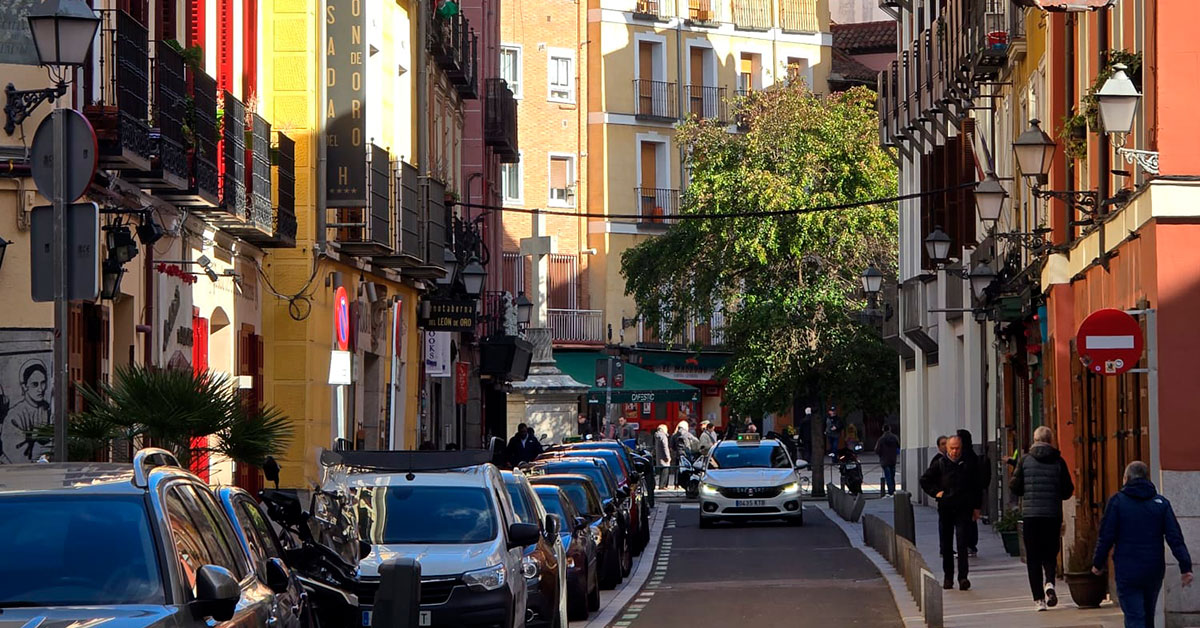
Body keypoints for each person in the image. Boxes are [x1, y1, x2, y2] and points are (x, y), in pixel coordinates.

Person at [1092, 461, 1193, 627]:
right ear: (1147, 478)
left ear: (1126, 478)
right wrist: (1186, 566)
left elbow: (1106, 535)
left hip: (1127, 569)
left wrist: (1098, 562)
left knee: (1134, 616)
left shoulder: (1117, 502)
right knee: (1147, 615)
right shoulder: (1161, 504)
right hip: (1153, 569)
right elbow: (1175, 538)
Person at [1010, 426, 1074, 611]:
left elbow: (1014, 486)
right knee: (1050, 553)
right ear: (1050, 440)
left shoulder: (1025, 461)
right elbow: (1068, 490)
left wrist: (1027, 492)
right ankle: (1050, 583)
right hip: (1052, 515)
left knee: (1033, 557)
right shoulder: (1058, 461)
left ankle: (1039, 599)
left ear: (1034, 439)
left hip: (1031, 515)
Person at [919, 435, 980, 591]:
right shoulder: (939, 463)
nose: (954, 451)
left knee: (962, 543)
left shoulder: (968, 463)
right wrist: (936, 493)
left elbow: (976, 486)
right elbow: (925, 480)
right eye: (951, 448)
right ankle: (948, 577)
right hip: (946, 508)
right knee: (946, 545)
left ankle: (963, 577)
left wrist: (976, 507)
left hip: (963, 508)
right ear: (946, 448)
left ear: (961, 448)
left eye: (957, 448)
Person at [956, 429, 988, 556]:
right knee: (970, 521)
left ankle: (967, 545)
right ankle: (970, 545)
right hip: (970, 495)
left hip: (966, 495)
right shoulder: (971, 456)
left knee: (965, 522)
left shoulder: (966, 457)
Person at [874, 424, 901, 497]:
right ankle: (893, 491)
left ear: (883, 429)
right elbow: (899, 446)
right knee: (892, 476)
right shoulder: (895, 437)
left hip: (885, 460)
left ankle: (890, 492)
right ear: (890, 429)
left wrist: (881, 454)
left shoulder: (881, 439)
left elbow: (877, 450)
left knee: (888, 477)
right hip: (893, 459)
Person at [654, 424, 671, 489]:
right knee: (665, 471)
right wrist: (668, 457)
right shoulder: (663, 436)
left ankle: (661, 485)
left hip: (659, 456)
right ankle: (663, 485)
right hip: (664, 457)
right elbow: (665, 447)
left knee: (661, 471)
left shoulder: (656, 436)